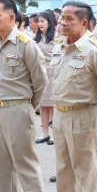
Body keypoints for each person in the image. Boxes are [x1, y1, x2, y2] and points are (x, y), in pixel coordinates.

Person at [48, 1, 97, 192]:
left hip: (83, 114)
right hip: (61, 115)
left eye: (69, 19)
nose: (62, 23)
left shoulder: (93, 50)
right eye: (61, 18)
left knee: (87, 173)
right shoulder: (60, 46)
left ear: (84, 23)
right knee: (64, 171)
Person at [0, 0, 49, 192]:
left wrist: (28, 107)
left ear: (12, 17)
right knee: (2, 162)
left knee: (25, 162)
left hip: (18, 108)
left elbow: (40, 82)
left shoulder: (25, 44)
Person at [34, 10, 57, 145]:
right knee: (43, 105)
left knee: (52, 104)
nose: (40, 24)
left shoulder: (55, 37)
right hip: (40, 72)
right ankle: (45, 133)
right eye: (39, 21)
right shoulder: (37, 37)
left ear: (50, 22)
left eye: (43, 21)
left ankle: (54, 134)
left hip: (51, 71)